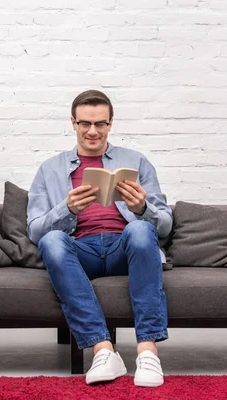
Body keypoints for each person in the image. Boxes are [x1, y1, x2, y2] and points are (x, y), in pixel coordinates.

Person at [26, 89, 173, 387]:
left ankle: (148, 352)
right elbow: (36, 230)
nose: (92, 131)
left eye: (100, 124)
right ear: (73, 123)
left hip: (125, 247)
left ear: (110, 124)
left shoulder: (136, 161)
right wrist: (66, 209)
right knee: (52, 242)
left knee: (142, 229)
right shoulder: (49, 169)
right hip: (81, 251)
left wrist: (142, 208)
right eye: (85, 124)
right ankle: (103, 350)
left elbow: (166, 225)